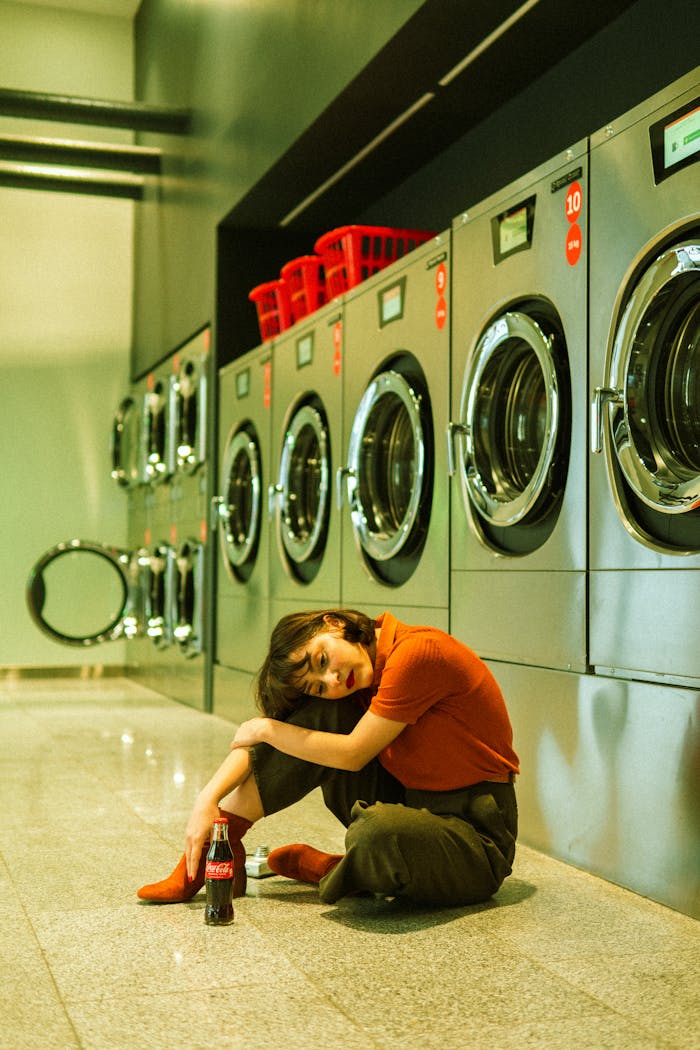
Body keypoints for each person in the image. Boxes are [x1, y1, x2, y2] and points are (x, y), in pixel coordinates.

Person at [137, 609, 519, 907]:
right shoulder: (366, 665)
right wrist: (208, 801)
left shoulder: (418, 654)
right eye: (318, 684)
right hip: (412, 800)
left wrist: (266, 728)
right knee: (325, 717)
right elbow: (288, 730)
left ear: (334, 624)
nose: (333, 680)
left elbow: (353, 755)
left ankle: (333, 869)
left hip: (474, 838)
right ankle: (219, 846)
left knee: (376, 832)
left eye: (322, 660)